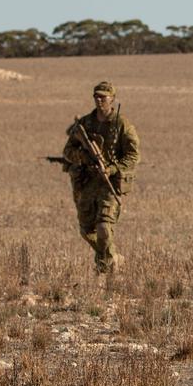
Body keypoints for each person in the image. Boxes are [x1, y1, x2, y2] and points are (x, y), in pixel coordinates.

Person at [61, 81, 140, 274]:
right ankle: (112, 256)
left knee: (104, 227)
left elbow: (133, 155)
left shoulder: (122, 125)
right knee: (87, 231)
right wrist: (85, 157)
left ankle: (104, 267)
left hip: (109, 182)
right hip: (87, 182)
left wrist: (112, 169)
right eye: (96, 96)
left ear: (112, 99)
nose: (99, 100)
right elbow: (67, 151)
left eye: (103, 96)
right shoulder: (85, 124)